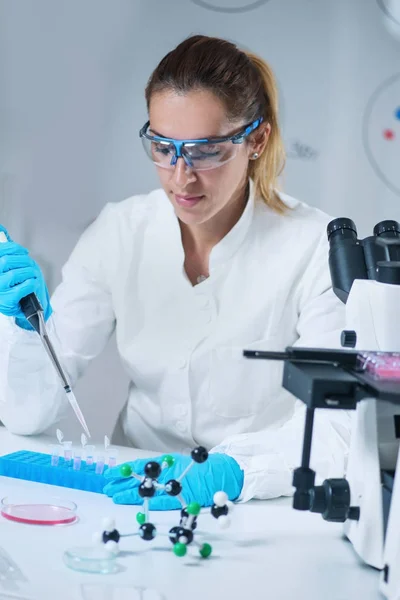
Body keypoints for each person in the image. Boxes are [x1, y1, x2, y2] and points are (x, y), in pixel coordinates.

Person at [0, 35, 350, 509]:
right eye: (164, 147)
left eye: (205, 151)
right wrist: (24, 333)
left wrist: (233, 470)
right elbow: (25, 416)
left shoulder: (315, 247)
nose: (181, 175)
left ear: (256, 140)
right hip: (130, 496)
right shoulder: (120, 231)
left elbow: (339, 429)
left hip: (258, 505)